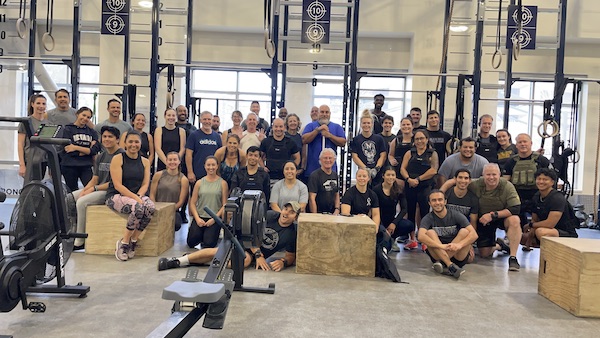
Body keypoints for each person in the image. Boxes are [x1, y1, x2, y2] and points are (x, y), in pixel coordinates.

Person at [158, 201, 301, 272]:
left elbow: (290, 256)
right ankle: (177, 261)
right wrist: (258, 254)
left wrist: (283, 262)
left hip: (250, 256)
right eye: (285, 209)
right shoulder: (271, 216)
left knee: (243, 262)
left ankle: (200, 261)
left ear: (295, 218)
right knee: (221, 252)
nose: (286, 213)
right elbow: (248, 232)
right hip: (243, 242)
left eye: (291, 212)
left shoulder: (291, 233)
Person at [72, 126, 123, 251]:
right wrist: (85, 190)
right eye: (104, 136)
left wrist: (93, 189)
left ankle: (80, 240)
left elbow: (115, 183)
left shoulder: (121, 155)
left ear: (117, 139)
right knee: (70, 197)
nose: (107, 139)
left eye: (110, 137)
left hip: (110, 191)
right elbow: (95, 178)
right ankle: (72, 233)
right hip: (98, 188)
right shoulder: (101, 156)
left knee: (81, 202)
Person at [106, 131, 155, 261]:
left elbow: (145, 183)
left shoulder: (145, 161)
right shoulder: (118, 159)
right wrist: (137, 198)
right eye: (130, 142)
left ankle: (134, 240)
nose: (134, 145)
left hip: (137, 195)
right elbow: (118, 185)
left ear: (141, 143)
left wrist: (139, 196)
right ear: (125, 143)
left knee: (150, 207)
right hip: (117, 195)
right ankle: (124, 243)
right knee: (139, 207)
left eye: (136, 142)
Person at [468, 163, 522, 271]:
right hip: (483, 221)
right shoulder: (475, 184)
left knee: (515, 220)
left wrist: (493, 215)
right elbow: (458, 182)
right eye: (488, 175)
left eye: (494, 174)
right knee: (484, 254)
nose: (491, 177)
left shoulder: (507, 186)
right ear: (482, 175)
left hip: (501, 217)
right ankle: (500, 245)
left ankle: (513, 257)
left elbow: (515, 208)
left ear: (499, 175)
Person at [418, 190, 478, 279]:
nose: (437, 203)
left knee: (465, 231)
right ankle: (450, 265)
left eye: (440, 200)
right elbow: (420, 236)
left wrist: (459, 245)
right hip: (438, 252)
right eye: (434, 200)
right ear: (429, 203)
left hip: (457, 254)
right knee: (430, 233)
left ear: (445, 201)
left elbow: (474, 235)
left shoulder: (456, 215)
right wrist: (441, 246)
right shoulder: (428, 218)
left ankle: (443, 263)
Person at [400, 129, 439, 250]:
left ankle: (425, 240)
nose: (419, 141)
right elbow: (402, 169)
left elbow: (433, 170)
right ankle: (413, 239)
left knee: (424, 212)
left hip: (425, 186)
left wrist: (418, 179)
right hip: (410, 185)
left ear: (427, 139)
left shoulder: (432, 153)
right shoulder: (409, 153)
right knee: (410, 211)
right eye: (417, 139)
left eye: (422, 138)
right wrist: (409, 179)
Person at [502, 133, 551, 225]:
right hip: (517, 195)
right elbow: (505, 182)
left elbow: (550, 180)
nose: (523, 144)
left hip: (537, 195)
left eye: (525, 141)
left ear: (531, 143)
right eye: (520, 142)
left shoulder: (541, 160)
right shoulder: (511, 161)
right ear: (516, 145)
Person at [525, 168, 578, 250]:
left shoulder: (557, 198)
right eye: (539, 179)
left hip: (565, 233)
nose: (541, 182)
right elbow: (534, 219)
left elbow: (550, 224)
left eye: (545, 179)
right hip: (546, 229)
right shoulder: (536, 196)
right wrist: (528, 241)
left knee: (540, 232)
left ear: (552, 182)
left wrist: (531, 225)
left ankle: (551, 257)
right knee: (520, 236)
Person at [187, 156, 228, 249]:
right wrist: (197, 219)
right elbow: (193, 203)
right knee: (191, 241)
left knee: (209, 244)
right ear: (204, 166)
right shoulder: (199, 183)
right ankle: (201, 234)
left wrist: (215, 219)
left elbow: (224, 205)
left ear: (217, 166)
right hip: (200, 216)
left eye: (213, 165)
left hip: (214, 218)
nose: (211, 167)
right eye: (208, 165)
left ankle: (208, 235)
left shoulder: (223, 183)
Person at [373, 167, 415, 252]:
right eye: (388, 175)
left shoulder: (398, 190)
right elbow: (374, 210)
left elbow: (404, 209)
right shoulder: (376, 190)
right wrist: (382, 228)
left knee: (409, 225)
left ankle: (392, 238)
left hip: (391, 220)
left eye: (393, 175)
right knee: (383, 245)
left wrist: (394, 223)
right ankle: (385, 238)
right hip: (379, 221)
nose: (390, 177)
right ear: (383, 176)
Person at [59, 107, 101, 192]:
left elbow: (95, 150)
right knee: (72, 191)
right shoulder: (67, 129)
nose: (85, 118)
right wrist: (87, 150)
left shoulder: (92, 132)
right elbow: (68, 150)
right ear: (77, 114)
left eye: (88, 117)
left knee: (89, 189)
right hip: (70, 166)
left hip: (86, 166)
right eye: (84, 115)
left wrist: (75, 147)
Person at [302, 104, 347, 180]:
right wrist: (317, 130)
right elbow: (304, 140)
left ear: (330, 114)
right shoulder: (310, 126)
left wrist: (330, 136)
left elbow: (343, 142)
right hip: (313, 169)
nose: (324, 114)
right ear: (318, 113)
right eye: (322, 112)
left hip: (331, 170)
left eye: (327, 112)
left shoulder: (337, 127)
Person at [150, 152, 189, 231]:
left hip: (173, 210)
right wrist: (156, 208)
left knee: (176, 223)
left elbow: (181, 202)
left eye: (175, 160)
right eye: (170, 160)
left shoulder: (183, 179)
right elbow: (152, 195)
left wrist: (168, 211)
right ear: (166, 161)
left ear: (179, 161)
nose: (172, 162)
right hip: (156, 208)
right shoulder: (158, 175)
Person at [18, 94, 49, 185]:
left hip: (43, 160)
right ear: (32, 104)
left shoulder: (48, 123)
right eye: (38, 103)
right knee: (29, 187)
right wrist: (22, 165)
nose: (41, 106)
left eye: (43, 104)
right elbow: (20, 144)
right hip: (30, 159)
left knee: (38, 186)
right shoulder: (26, 122)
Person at [350, 110, 387, 185]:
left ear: (372, 124)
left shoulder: (379, 139)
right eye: (364, 123)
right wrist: (366, 169)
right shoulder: (356, 139)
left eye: (368, 123)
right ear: (361, 124)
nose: (366, 125)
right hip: (362, 174)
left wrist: (376, 169)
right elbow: (355, 157)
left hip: (377, 174)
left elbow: (383, 155)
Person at [185, 111, 222, 185]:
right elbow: (188, 155)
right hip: (197, 174)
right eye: (204, 119)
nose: (207, 121)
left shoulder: (217, 136)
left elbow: (220, 156)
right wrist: (190, 172)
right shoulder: (194, 135)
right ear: (200, 120)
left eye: (209, 119)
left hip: (213, 174)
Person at [260, 118, 300, 183]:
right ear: (272, 127)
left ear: (284, 127)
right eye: (276, 126)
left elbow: (298, 158)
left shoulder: (290, 142)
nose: (278, 129)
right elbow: (259, 157)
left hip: (286, 178)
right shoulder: (266, 141)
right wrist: (263, 167)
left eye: (281, 126)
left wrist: (292, 169)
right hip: (270, 177)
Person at [308, 148, 340, 214]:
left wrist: (337, 209)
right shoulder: (314, 175)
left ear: (334, 160)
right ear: (320, 160)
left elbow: (336, 194)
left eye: (330, 158)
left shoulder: (335, 175)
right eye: (325, 158)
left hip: (332, 213)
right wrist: (315, 215)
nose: (328, 160)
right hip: (318, 213)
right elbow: (311, 198)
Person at [285, 113, 305, 177]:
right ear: (287, 123)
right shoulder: (283, 136)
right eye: (290, 121)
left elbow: (303, 155)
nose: (292, 123)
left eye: (294, 121)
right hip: (284, 169)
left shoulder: (300, 137)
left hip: (297, 170)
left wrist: (301, 168)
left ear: (298, 123)